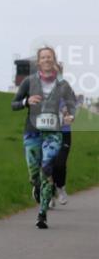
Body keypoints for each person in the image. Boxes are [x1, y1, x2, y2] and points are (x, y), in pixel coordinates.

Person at [11, 47, 76, 229]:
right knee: (34, 174)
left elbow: (72, 103)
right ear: (39, 62)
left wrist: (70, 115)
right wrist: (26, 102)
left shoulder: (62, 84)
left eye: (50, 57)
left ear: (54, 61)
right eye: (43, 57)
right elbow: (14, 104)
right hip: (32, 132)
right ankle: (37, 186)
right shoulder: (29, 82)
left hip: (53, 133)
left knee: (47, 168)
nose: (47, 60)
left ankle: (42, 214)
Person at [51, 63, 74, 205]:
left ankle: (61, 188)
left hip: (64, 131)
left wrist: (70, 115)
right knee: (49, 164)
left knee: (60, 163)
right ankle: (49, 193)